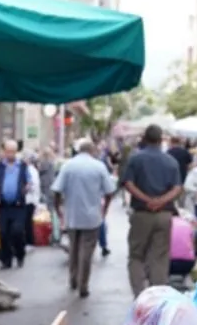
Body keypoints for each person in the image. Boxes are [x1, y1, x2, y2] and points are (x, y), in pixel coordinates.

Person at [122, 125, 182, 296]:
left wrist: (146, 199)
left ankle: (139, 295)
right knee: (160, 257)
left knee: (136, 256)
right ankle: (157, 297)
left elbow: (128, 183)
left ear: (144, 138)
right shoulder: (171, 161)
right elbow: (177, 188)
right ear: (161, 139)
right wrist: (161, 201)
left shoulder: (136, 159)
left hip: (141, 214)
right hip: (164, 214)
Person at [51, 138, 116, 298]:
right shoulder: (98, 166)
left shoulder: (68, 166)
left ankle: (73, 278)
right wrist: (104, 209)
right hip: (92, 215)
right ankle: (83, 284)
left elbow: (57, 190)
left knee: (73, 247)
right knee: (87, 251)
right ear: (92, 151)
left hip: (72, 214)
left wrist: (59, 209)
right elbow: (109, 191)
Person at [0, 138, 29, 268]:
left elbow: (29, 181)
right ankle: (6, 260)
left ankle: (20, 254)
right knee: (3, 233)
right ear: (4, 151)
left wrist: (26, 189)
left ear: (16, 152)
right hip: (3, 205)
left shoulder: (23, 166)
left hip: (18, 205)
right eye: (8, 151)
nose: (10, 154)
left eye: (13, 152)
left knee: (17, 231)